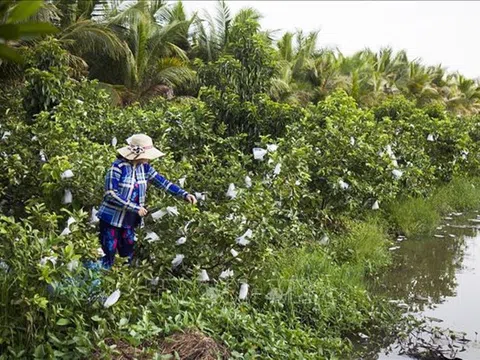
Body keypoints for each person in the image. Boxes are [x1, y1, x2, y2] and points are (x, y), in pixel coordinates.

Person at [96, 134, 196, 269]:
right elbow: (110, 194)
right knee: (108, 254)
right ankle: (98, 285)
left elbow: (163, 183)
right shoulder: (117, 167)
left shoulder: (145, 169)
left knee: (127, 256)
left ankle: (120, 286)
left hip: (130, 222)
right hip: (111, 220)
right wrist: (134, 207)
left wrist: (183, 194)